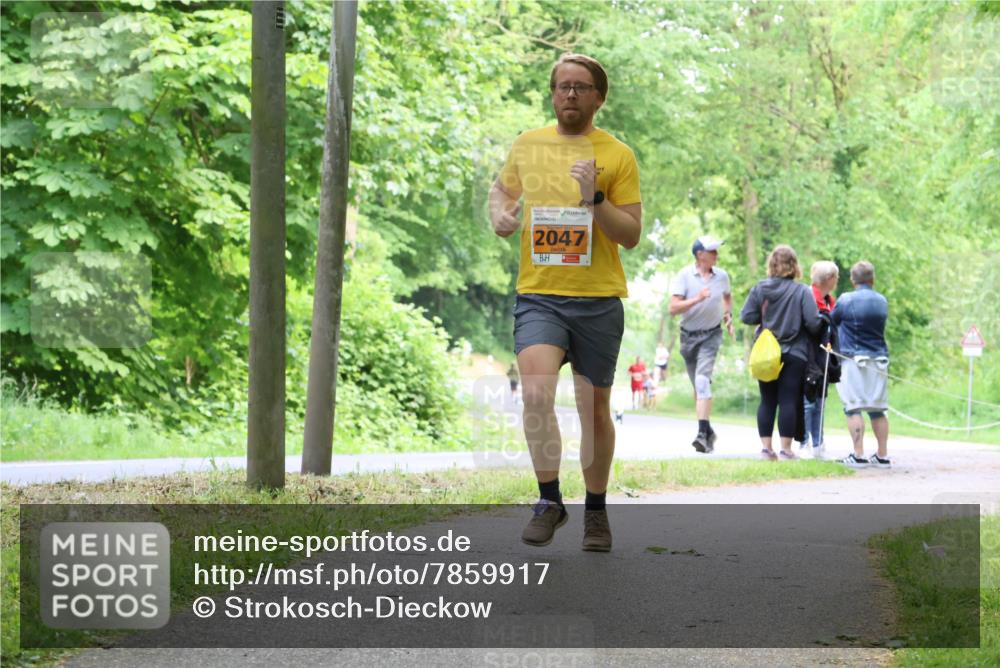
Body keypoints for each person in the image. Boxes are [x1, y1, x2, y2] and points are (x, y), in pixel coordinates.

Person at [489, 53, 642, 552]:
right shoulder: (528, 144)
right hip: (540, 295)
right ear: (553, 93)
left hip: (598, 299)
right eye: (562, 86)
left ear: (599, 97)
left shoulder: (617, 154)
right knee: (535, 394)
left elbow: (631, 234)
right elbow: (501, 192)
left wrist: (595, 197)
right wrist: (500, 215)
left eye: (581, 86)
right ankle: (549, 500)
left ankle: (595, 511)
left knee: (594, 409)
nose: (570, 94)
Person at [740, 245, 822, 461]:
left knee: (767, 400)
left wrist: (765, 318)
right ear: (794, 266)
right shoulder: (801, 291)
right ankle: (786, 450)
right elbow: (813, 323)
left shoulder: (760, 289)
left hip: (766, 354)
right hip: (794, 352)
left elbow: (746, 316)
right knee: (788, 400)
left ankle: (766, 450)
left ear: (772, 265)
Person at [669, 235, 734, 454]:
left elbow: (727, 297)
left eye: (716, 251)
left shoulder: (722, 276)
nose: (716, 255)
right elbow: (673, 308)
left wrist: (728, 316)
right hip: (688, 338)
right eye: (712, 251)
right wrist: (698, 298)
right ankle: (708, 431)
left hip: (711, 335)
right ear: (700, 255)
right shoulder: (684, 276)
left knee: (702, 381)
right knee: (698, 388)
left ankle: (701, 435)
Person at [831, 261, 891, 468]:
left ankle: (858, 454)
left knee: (853, 407)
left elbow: (832, 321)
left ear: (852, 279)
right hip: (879, 359)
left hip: (853, 360)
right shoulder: (882, 301)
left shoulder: (846, 300)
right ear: (872, 279)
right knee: (878, 409)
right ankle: (882, 455)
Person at [798, 261, 840, 459]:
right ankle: (803, 443)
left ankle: (818, 444)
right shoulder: (808, 296)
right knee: (808, 401)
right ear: (829, 279)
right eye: (836, 277)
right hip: (809, 355)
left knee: (821, 401)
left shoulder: (831, 301)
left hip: (825, 356)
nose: (836, 281)